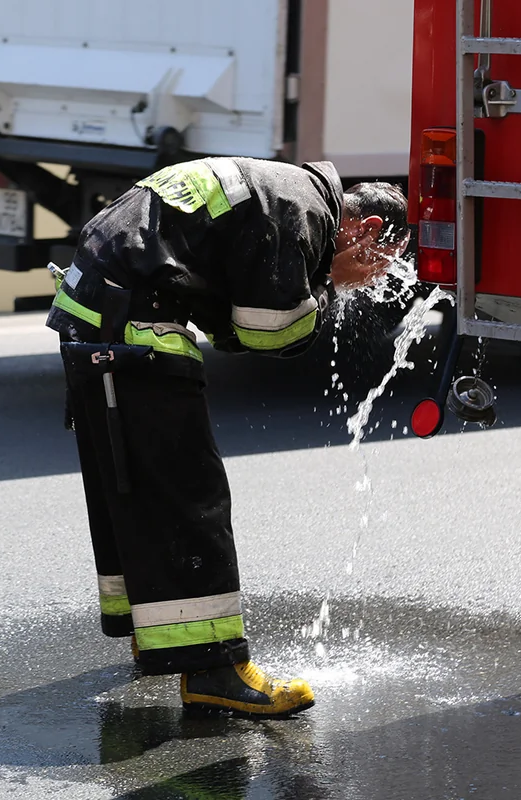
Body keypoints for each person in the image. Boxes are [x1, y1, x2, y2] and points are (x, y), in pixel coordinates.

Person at [46, 156, 409, 718]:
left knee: (133, 484)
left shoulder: (285, 189)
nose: (373, 278)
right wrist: (327, 284)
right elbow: (269, 332)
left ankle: (159, 636)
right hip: (133, 326)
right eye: (377, 266)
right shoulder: (302, 210)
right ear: (369, 231)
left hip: (98, 313)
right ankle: (215, 669)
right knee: (189, 498)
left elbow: (224, 296)